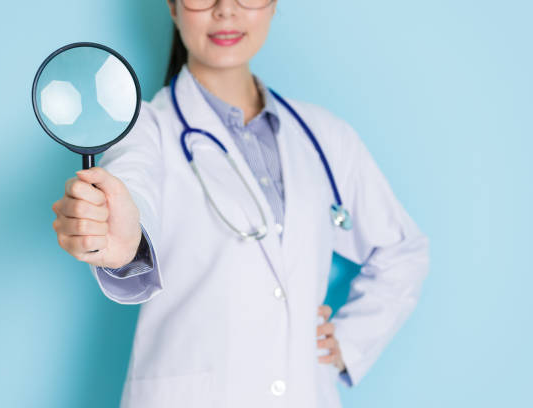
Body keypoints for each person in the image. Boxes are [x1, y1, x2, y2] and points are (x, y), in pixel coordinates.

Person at [50, 0, 430, 406]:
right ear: (174, 7)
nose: (225, 10)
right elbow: (132, 189)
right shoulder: (145, 128)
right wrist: (124, 243)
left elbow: (403, 250)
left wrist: (349, 343)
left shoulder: (324, 137)